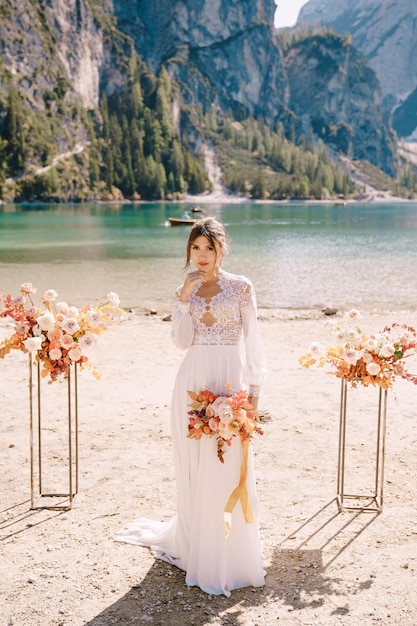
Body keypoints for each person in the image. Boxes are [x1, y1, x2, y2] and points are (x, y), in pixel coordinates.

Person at [116, 216, 268, 597]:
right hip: (192, 380)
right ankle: (199, 545)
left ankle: (231, 554)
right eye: (195, 249)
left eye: (208, 248)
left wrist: (254, 392)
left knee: (230, 463)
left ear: (222, 249)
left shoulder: (241, 287)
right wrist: (183, 300)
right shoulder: (187, 289)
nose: (201, 256)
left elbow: (254, 340)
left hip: (230, 376)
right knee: (196, 464)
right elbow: (181, 342)